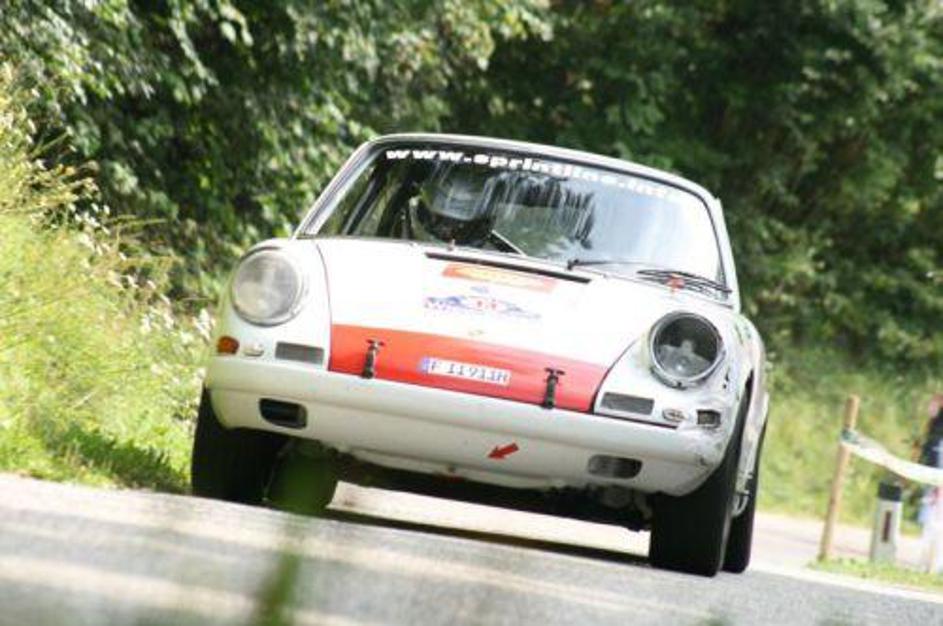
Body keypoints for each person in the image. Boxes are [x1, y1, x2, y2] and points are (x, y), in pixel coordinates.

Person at [917, 393, 943, 573]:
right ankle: (929, 563)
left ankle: (932, 564)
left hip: (936, 471)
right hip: (934, 470)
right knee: (933, 517)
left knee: (935, 517)